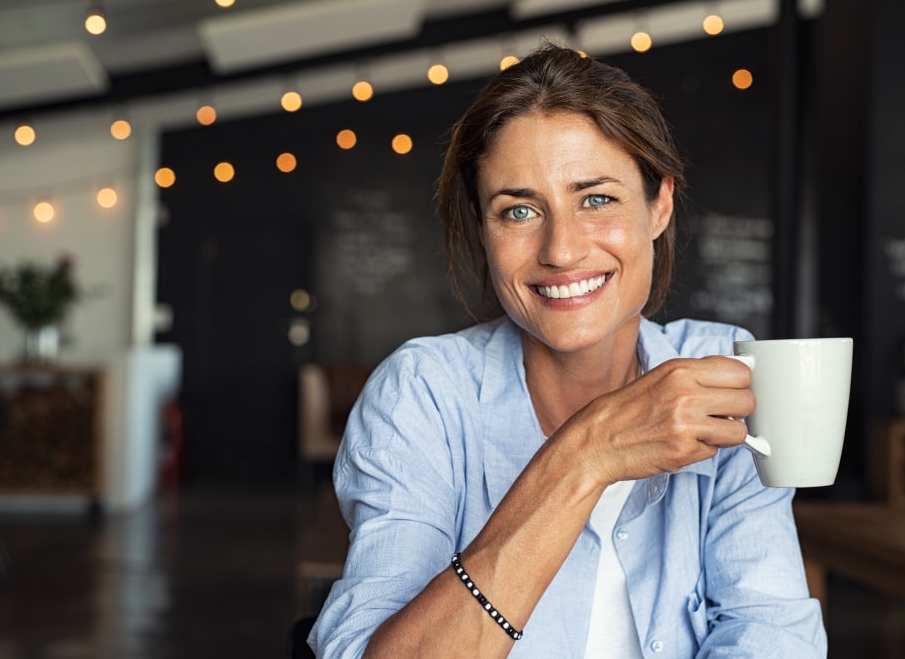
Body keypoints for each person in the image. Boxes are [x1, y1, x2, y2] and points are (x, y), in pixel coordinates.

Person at [308, 43, 825, 658]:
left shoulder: (724, 375)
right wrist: (584, 457)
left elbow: (771, 635)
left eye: (596, 198)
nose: (561, 249)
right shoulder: (422, 395)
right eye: (519, 210)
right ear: (483, 229)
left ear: (658, 203)